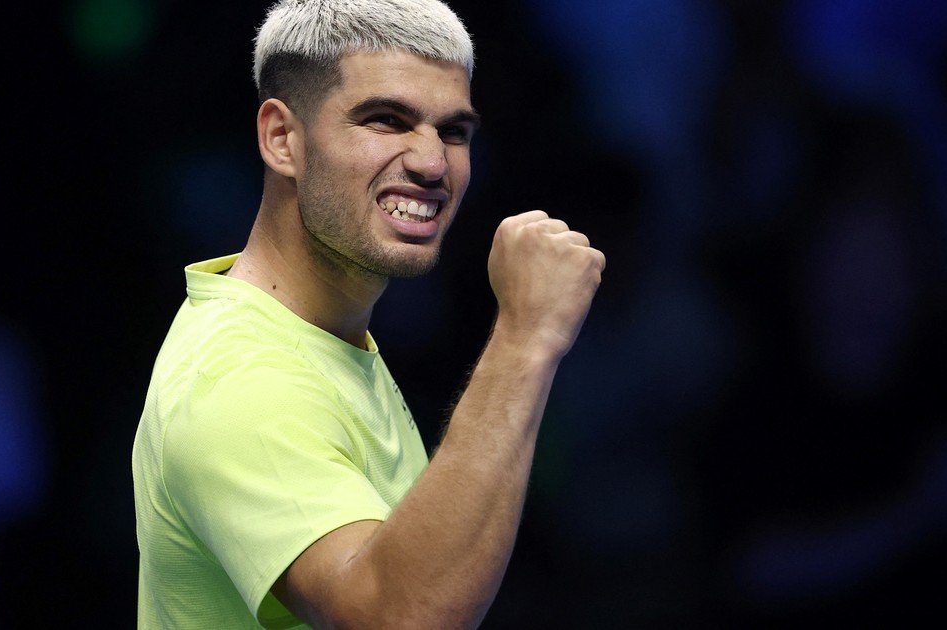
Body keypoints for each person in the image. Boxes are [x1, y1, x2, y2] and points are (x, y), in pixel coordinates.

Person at [131, 0, 605, 627]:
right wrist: (525, 336)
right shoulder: (240, 377)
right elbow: (395, 619)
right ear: (281, 138)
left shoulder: (319, 338)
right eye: (386, 119)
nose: (433, 163)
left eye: (453, 131)